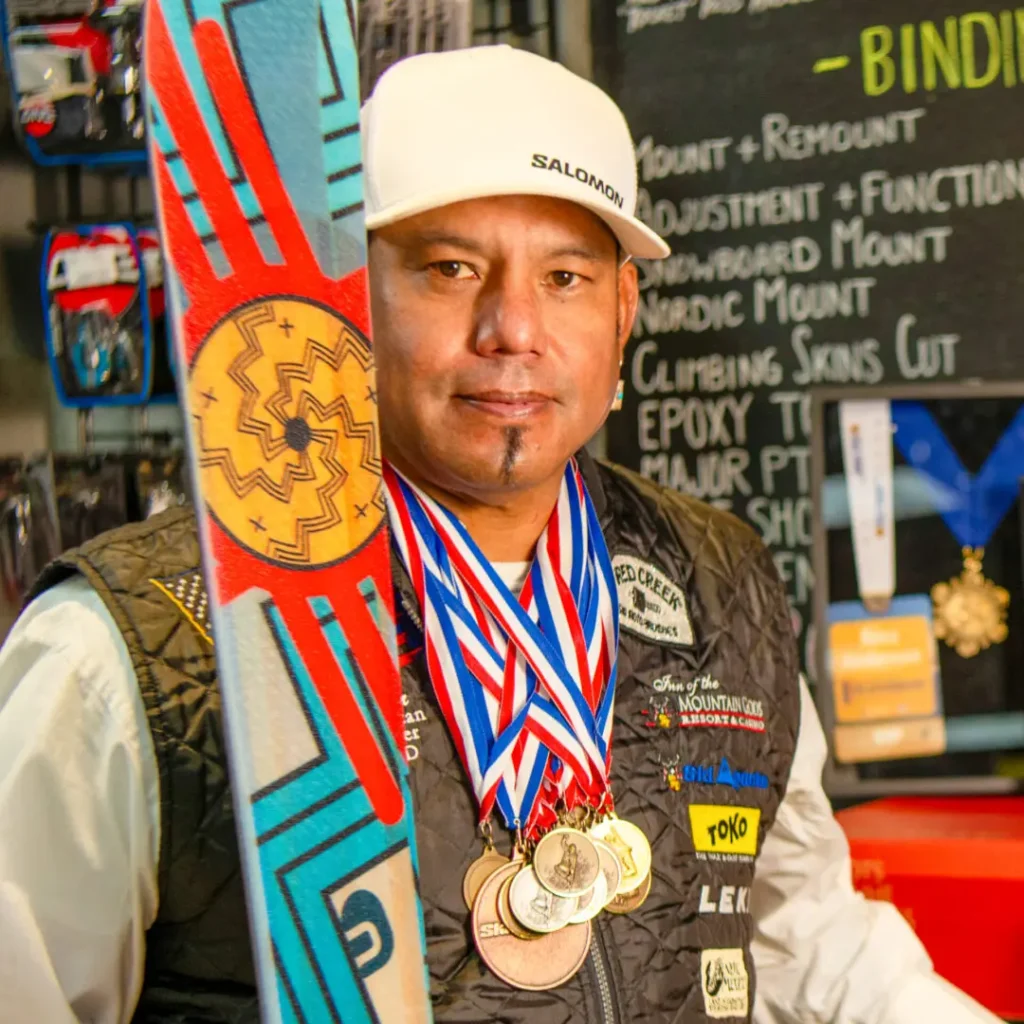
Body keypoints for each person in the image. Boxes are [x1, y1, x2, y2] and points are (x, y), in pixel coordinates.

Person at [0, 43, 1000, 1024]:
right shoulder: (142, 642)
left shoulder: (719, 582)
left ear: (622, 309)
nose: (512, 327)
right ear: (349, 295)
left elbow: (802, 938)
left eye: (563, 277)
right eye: (448, 267)